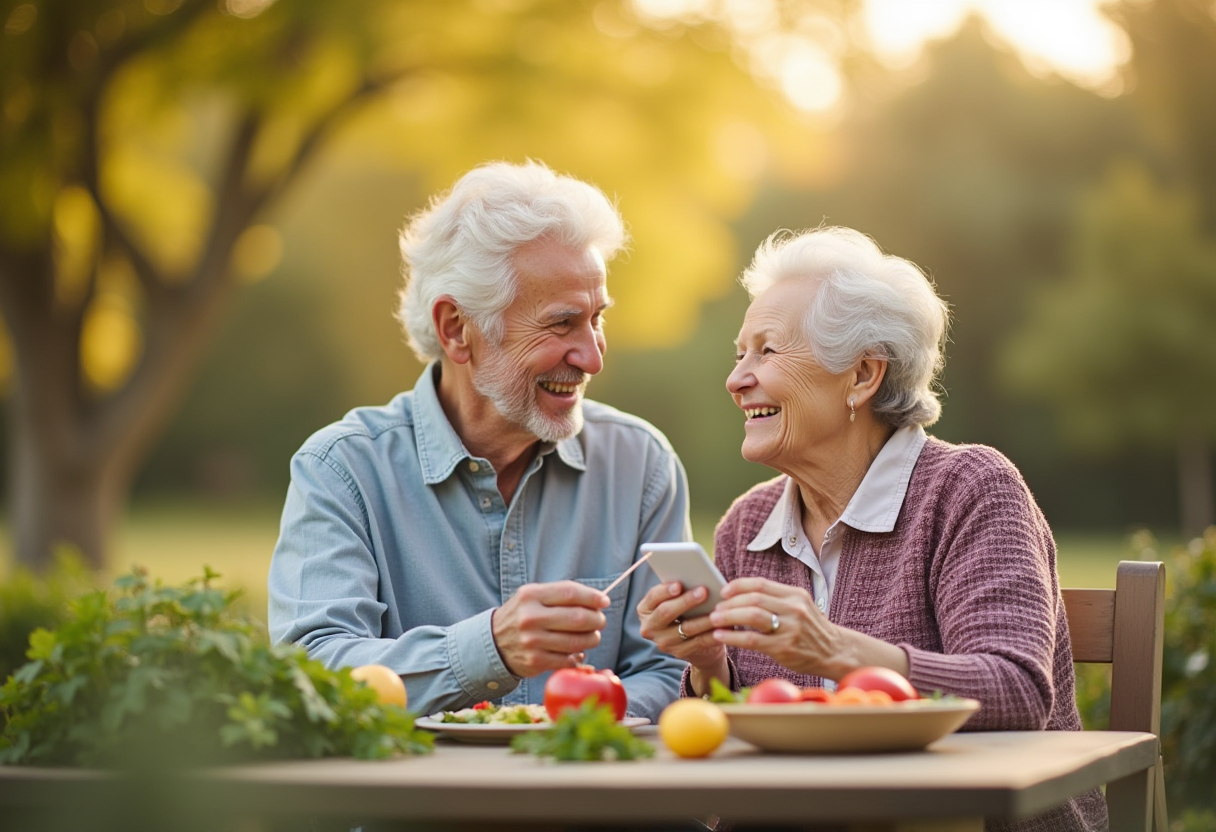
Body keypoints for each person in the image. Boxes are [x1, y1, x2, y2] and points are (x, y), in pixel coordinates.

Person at [637, 227, 1105, 831]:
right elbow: (723, 767)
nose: (736, 379)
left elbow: (1016, 693)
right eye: (738, 354)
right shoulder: (746, 525)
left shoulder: (969, 490)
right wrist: (709, 666)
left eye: (768, 351)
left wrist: (834, 651)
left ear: (862, 375)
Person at [268, 160, 689, 722]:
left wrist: (565, 732)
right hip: (416, 808)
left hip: (593, 807)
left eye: (597, 320)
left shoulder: (641, 465)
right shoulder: (343, 470)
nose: (591, 356)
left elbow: (666, 669)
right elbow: (313, 674)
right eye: (562, 324)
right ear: (456, 329)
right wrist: (490, 648)